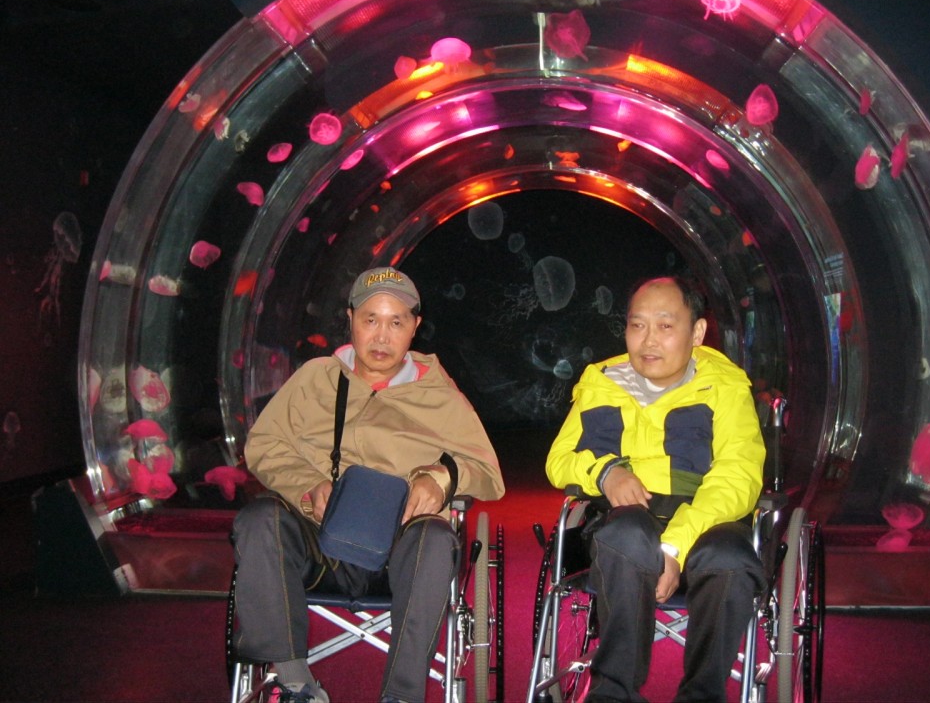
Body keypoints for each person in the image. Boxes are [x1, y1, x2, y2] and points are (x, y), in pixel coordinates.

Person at [232, 266, 505, 703]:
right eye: (370, 320)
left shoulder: (439, 394)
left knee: (436, 539)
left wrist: (441, 477)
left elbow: (489, 474)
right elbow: (263, 445)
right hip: (321, 540)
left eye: (396, 322)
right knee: (260, 518)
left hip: (401, 550)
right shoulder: (315, 379)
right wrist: (309, 485)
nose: (381, 337)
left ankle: (400, 695)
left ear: (415, 327)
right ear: (350, 320)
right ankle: (294, 681)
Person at [545, 276, 766, 703]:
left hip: (704, 516)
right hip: (623, 516)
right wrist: (606, 473)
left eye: (665, 326)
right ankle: (612, 694)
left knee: (731, 559)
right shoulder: (600, 382)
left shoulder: (725, 387)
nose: (648, 340)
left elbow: (738, 474)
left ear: (696, 332)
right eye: (637, 325)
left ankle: (702, 695)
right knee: (626, 534)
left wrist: (674, 546)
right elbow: (559, 460)